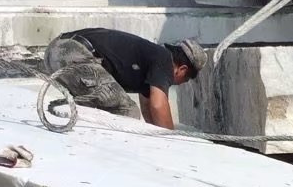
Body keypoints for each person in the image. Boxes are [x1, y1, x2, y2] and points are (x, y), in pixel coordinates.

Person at [42, 29, 207, 130]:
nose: (177, 84)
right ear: (182, 69)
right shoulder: (164, 59)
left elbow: (150, 108)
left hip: (54, 51)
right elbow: (158, 105)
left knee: (99, 106)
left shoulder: (150, 64)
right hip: (73, 52)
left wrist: (156, 136)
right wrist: (172, 144)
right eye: (184, 80)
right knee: (127, 111)